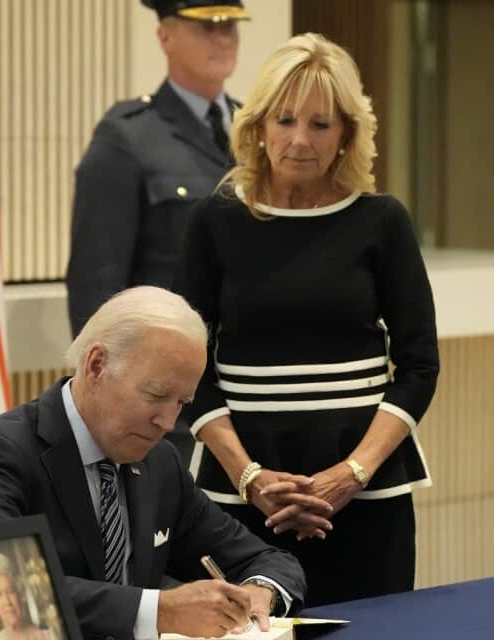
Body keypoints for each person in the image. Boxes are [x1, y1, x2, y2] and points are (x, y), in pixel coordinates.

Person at [0, 286, 307, 640]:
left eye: (181, 403)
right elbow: (3, 596)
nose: (168, 422)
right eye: (155, 394)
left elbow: (268, 560)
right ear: (96, 366)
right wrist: (161, 611)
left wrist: (258, 592)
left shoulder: (159, 463)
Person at [177, 33, 440, 607]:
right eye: (286, 119)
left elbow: (419, 366)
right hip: (239, 499)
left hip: (367, 499)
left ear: (346, 134)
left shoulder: (382, 222)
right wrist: (251, 477)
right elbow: (188, 369)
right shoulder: (214, 222)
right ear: (258, 126)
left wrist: (351, 473)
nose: (300, 140)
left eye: (321, 124)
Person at [64, 0, 249, 461]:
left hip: (250, 400)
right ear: (165, 36)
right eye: (206, 26)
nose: (223, 37)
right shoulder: (128, 137)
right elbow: (96, 286)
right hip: (171, 415)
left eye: (230, 25)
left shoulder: (259, 133)